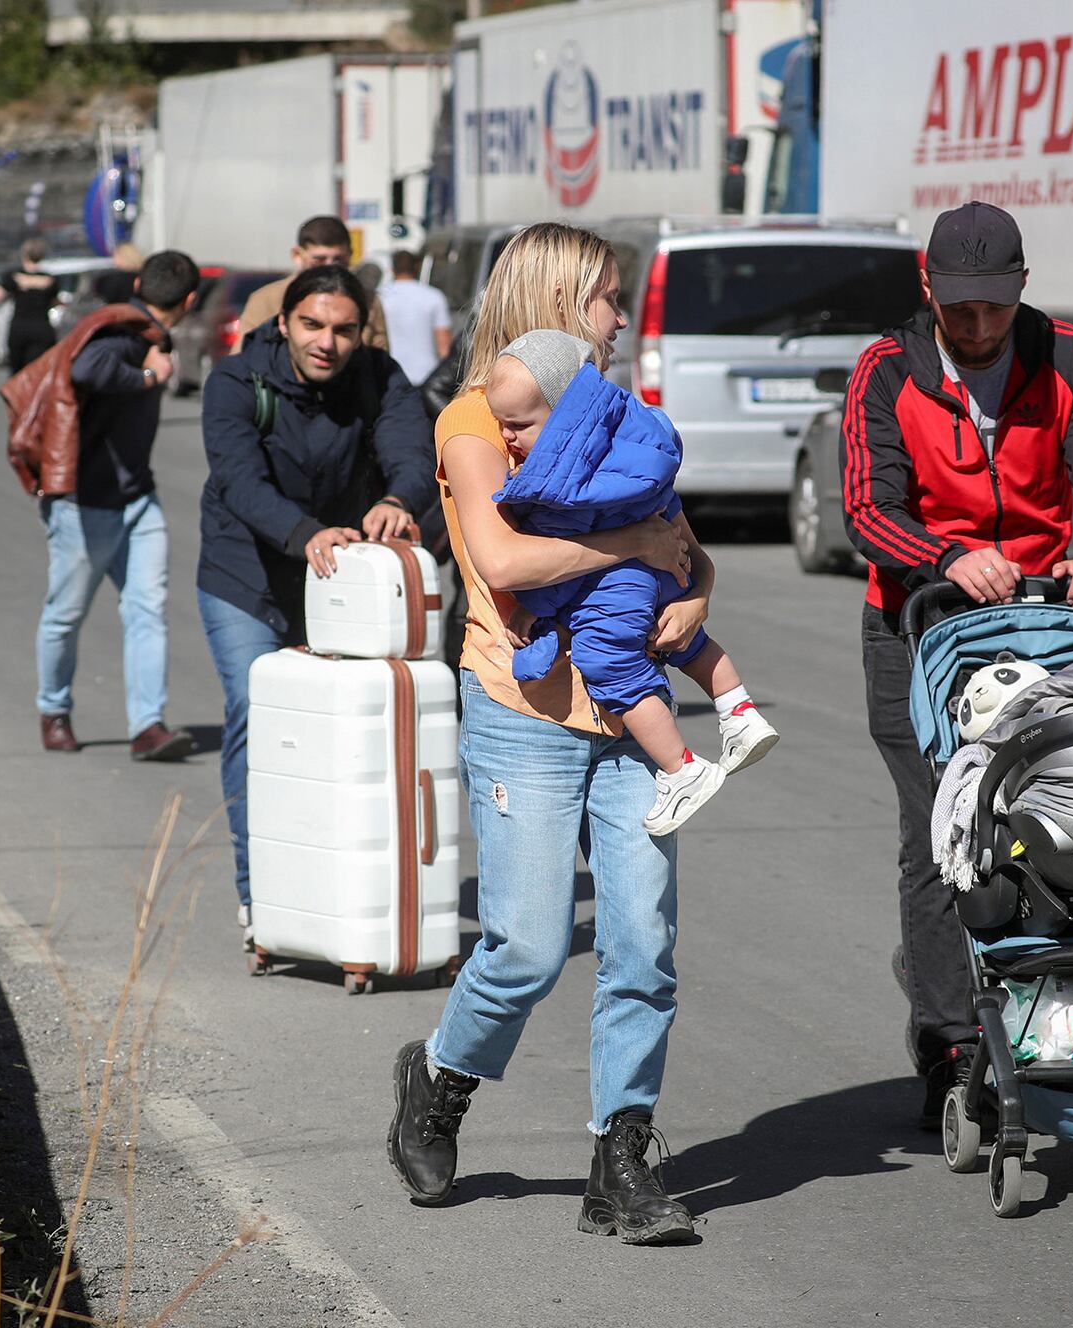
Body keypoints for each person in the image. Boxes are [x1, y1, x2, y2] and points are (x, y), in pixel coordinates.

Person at [385, 222, 707, 1246]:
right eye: (609, 296)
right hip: (523, 715)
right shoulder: (474, 420)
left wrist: (695, 592)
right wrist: (631, 545)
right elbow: (504, 560)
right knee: (526, 947)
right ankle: (439, 1079)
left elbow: (682, 546)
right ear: (563, 301)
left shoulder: (612, 410)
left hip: (628, 714)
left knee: (642, 942)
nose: (621, 316)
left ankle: (622, 1159)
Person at [842, 201, 1073, 1128]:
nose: (977, 327)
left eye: (994, 308)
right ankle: (949, 1038)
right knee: (941, 830)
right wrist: (944, 556)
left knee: (1063, 816)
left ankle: (1065, 1002)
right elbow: (867, 504)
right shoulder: (886, 371)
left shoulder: (1068, 360)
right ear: (927, 289)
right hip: (919, 626)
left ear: (1022, 288)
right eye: (959, 309)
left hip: (1045, 623)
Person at [197, 264, 437, 946]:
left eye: (343, 329)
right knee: (257, 712)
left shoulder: (380, 377)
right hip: (245, 575)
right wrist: (304, 533)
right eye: (311, 325)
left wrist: (396, 500)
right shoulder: (235, 381)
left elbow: (413, 453)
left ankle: (336, 888)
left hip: (336, 583)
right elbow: (237, 480)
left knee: (342, 731)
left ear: (361, 333)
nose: (326, 342)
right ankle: (259, 895)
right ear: (284, 323)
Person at [484, 330, 779, 834]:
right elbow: (669, 505)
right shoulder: (631, 442)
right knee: (685, 640)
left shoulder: (562, 482)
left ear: (565, 418)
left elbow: (565, 562)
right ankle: (740, 711)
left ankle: (681, 769)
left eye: (519, 425)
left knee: (608, 660)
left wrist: (534, 606)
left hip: (615, 587)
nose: (507, 438)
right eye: (502, 425)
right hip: (667, 568)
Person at [33, 249, 202, 762]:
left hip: (138, 499)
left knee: (147, 610)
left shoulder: (142, 332)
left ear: (138, 284)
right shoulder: (123, 333)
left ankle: (148, 726)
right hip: (84, 503)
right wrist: (149, 377)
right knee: (66, 614)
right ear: (190, 301)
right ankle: (53, 710)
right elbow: (87, 369)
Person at [236, 216, 388, 350]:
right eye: (319, 260)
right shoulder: (266, 300)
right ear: (297, 255)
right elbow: (243, 358)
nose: (329, 267)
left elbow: (381, 360)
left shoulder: (368, 301)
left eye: (338, 260)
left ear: (350, 255)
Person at [0, 239, 60, 370]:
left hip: (20, 329)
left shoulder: (14, 276)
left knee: (19, 373)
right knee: (39, 371)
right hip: (43, 329)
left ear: (24, 254)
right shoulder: (50, 279)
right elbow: (55, 302)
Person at [377, 249, 452, 386]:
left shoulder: (380, 297)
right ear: (417, 267)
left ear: (392, 269)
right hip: (426, 375)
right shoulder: (434, 296)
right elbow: (444, 347)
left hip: (389, 375)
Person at [94, 242, 143, 306]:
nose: (114, 260)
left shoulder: (113, 280)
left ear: (123, 258)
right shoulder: (144, 277)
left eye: (115, 256)